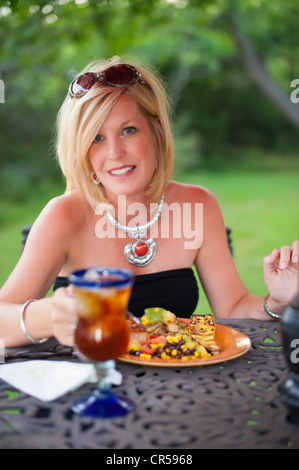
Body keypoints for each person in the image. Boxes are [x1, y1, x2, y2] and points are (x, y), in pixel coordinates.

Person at [0, 56, 298, 348]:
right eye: (96, 138)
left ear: (155, 130)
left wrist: (278, 301)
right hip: (91, 387)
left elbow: (233, 310)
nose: (115, 152)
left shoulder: (198, 205)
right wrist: (47, 316)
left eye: (128, 130)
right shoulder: (64, 215)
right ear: (82, 150)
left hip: (177, 387)